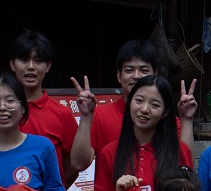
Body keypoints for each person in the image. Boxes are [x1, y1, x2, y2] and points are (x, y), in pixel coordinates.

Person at [69, 39, 197, 175]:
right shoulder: (100, 115)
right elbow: (78, 163)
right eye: (129, 70)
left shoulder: (164, 117)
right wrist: (86, 117)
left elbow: (186, 166)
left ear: (155, 74)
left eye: (143, 70)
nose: (136, 76)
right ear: (119, 76)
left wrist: (186, 120)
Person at [0, 30, 81, 187]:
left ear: (48, 66)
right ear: (12, 64)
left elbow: (73, 166)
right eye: (24, 60)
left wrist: (48, 190)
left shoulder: (62, 114)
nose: (31, 67)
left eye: (38, 61)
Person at [96, 75, 193, 191]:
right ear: (129, 103)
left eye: (154, 105)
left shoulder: (179, 151)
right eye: (139, 101)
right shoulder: (109, 152)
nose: (144, 109)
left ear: (165, 112)